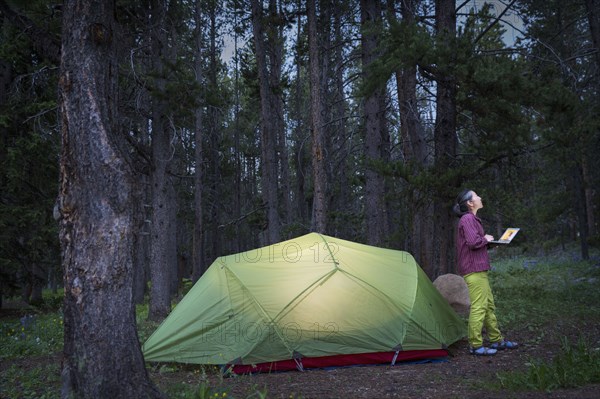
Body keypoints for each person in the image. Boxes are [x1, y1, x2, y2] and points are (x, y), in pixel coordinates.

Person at [453, 189, 519, 356]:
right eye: (476, 196)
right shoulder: (467, 219)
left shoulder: (473, 219)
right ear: (470, 203)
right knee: (479, 307)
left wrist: (492, 243)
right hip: (473, 269)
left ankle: (496, 340)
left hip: (479, 268)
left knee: (488, 306)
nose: (480, 197)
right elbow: (473, 242)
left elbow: (476, 243)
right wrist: (486, 239)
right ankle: (475, 345)